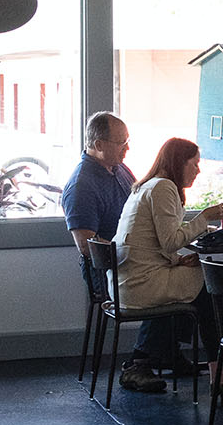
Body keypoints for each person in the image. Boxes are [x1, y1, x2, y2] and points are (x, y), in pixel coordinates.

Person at [61, 111, 168, 393]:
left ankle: (165, 353)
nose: (127, 148)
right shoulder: (81, 185)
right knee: (168, 286)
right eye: (121, 142)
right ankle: (139, 363)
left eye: (127, 141)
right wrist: (137, 253)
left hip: (130, 261)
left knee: (187, 276)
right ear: (98, 144)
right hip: (105, 271)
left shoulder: (120, 171)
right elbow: (87, 246)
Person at [112, 137, 223, 393]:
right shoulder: (163, 187)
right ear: (179, 162)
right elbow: (170, 241)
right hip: (140, 283)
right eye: (194, 164)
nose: (198, 170)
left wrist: (176, 261)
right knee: (212, 287)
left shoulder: (147, 186)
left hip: (129, 279)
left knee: (191, 282)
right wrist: (203, 218)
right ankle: (219, 370)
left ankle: (162, 355)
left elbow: (150, 242)